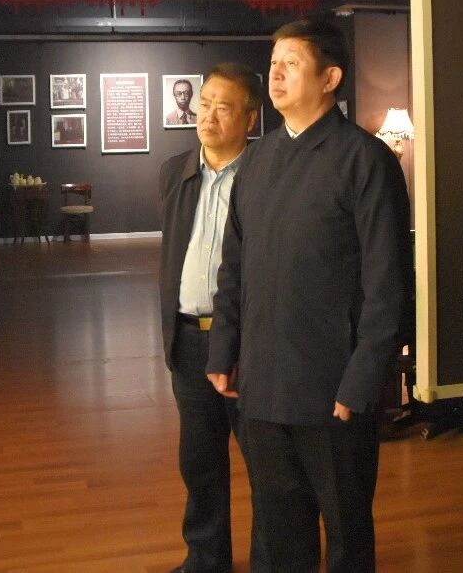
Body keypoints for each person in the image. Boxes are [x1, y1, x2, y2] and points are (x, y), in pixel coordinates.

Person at [206, 18, 411, 572]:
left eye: (291, 63)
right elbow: (234, 267)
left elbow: (388, 285)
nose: (275, 74)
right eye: (273, 63)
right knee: (277, 528)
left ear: (330, 78)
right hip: (263, 384)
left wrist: (362, 382)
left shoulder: (365, 159)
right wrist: (224, 350)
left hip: (334, 388)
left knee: (346, 530)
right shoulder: (258, 160)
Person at [159, 63, 265, 573]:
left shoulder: (266, 174)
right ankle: (205, 559)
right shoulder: (175, 172)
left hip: (247, 342)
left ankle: (273, 559)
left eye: (224, 108)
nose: (209, 116)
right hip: (189, 340)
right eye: (205, 105)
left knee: (266, 463)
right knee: (199, 462)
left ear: (250, 118)